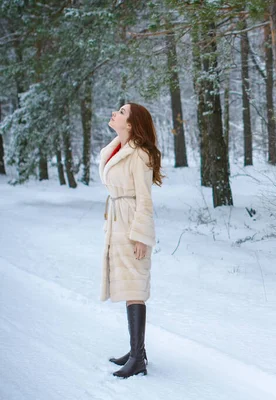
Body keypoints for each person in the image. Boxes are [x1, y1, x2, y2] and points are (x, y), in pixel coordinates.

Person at [99, 103, 163, 378]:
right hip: (117, 221)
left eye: (122, 112)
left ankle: (137, 359)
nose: (115, 113)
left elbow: (145, 200)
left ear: (131, 123)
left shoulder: (140, 155)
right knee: (128, 285)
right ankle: (137, 350)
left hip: (131, 224)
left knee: (135, 286)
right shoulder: (118, 149)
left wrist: (141, 236)